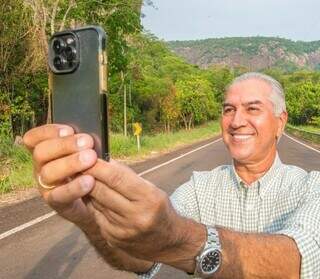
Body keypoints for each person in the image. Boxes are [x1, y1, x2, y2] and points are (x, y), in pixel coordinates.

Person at [23, 72, 320, 279]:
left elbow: (298, 262)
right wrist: (88, 216)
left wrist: (182, 237)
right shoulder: (199, 188)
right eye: (228, 110)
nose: (237, 121)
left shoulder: (312, 187)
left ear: (281, 122)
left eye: (252, 109)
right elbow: (143, 255)